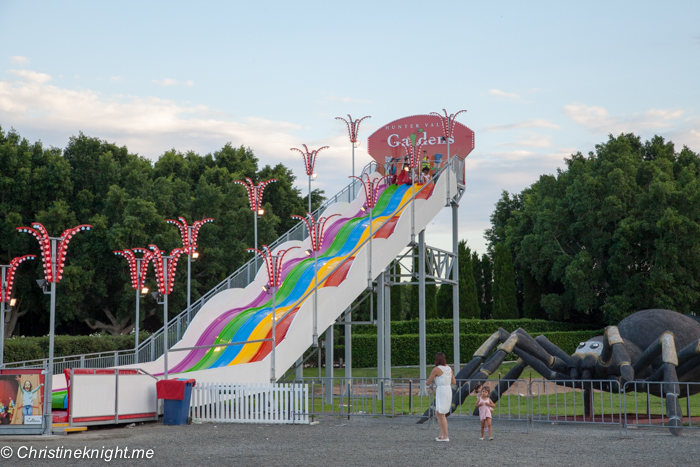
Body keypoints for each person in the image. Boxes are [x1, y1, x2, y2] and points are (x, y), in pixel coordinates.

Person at [426, 352, 456, 442]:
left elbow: (428, 382)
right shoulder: (449, 368)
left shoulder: (436, 369)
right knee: (437, 412)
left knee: (441, 414)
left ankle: (446, 436)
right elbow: (454, 381)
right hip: (447, 389)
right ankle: (441, 434)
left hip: (442, 390)